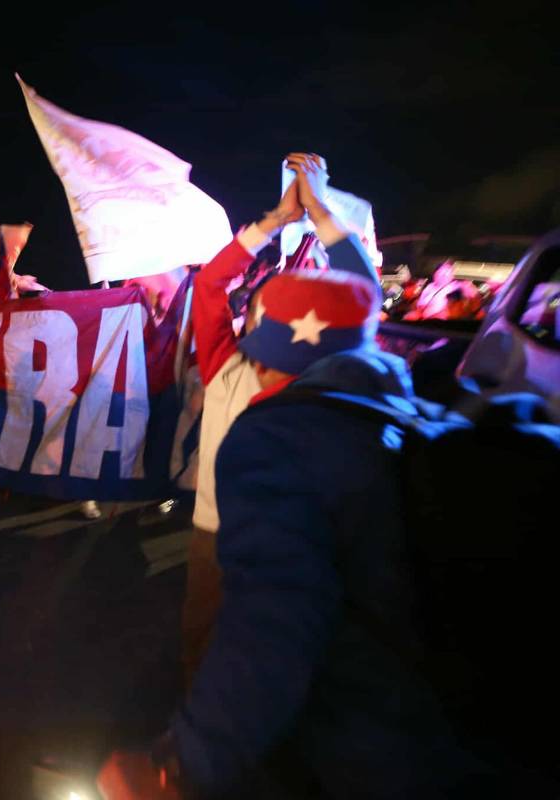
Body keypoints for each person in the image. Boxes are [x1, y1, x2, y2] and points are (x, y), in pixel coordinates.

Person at [99, 255, 479, 798]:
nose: (255, 366)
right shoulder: (412, 416)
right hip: (441, 739)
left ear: (290, 356)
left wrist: (185, 761)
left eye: (266, 351)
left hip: (357, 746)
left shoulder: (282, 434)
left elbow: (275, 618)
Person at [179, 154, 379, 684]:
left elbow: (364, 295)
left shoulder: (333, 380)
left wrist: (317, 211)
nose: (263, 356)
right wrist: (278, 221)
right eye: (259, 313)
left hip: (295, 544)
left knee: (285, 661)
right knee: (204, 643)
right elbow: (208, 286)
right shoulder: (226, 364)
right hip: (216, 535)